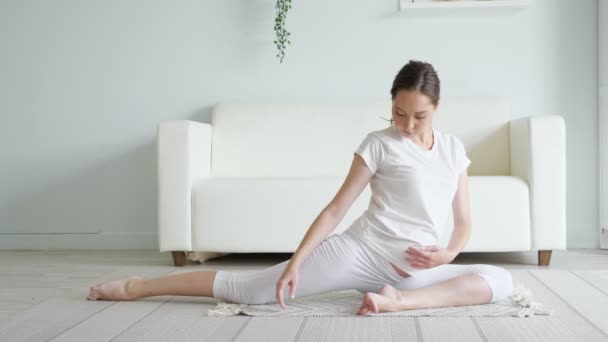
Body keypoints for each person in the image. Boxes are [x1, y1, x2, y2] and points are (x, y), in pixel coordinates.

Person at [87, 60, 513, 315]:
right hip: (361, 253)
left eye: (418, 116)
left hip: (416, 273)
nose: (406, 125)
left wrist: (448, 253)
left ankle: (398, 304)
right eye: (399, 113)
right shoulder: (378, 144)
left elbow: (464, 222)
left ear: (436, 107)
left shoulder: (454, 150)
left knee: (500, 281)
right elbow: (335, 210)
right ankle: (137, 287)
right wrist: (296, 262)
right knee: (253, 292)